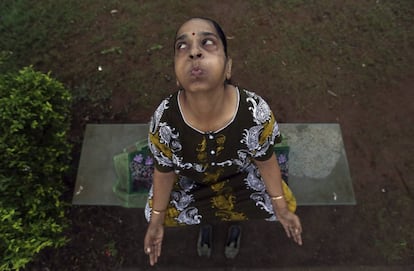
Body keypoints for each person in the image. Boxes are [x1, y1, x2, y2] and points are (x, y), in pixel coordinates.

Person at [143, 17, 302, 266]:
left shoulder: (254, 112)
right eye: (182, 47)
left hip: (240, 178)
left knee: (282, 203)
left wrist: (280, 206)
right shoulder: (164, 120)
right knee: (155, 211)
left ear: (228, 67)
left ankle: (234, 225)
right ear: (176, 74)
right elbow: (163, 172)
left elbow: (265, 160)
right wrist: (156, 219)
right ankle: (207, 224)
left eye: (207, 43)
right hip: (191, 183)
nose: (194, 52)